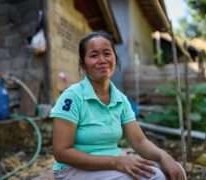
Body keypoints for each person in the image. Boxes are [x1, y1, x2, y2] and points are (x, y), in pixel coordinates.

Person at [50, 31, 186, 180]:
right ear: (83, 64)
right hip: (73, 170)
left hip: (113, 163)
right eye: (94, 55)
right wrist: (116, 162)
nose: (102, 60)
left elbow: (140, 141)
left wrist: (163, 156)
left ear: (115, 58)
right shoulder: (72, 97)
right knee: (153, 177)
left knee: (174, 170)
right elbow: (61, 152)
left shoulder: (120, 100)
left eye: (107, 53)